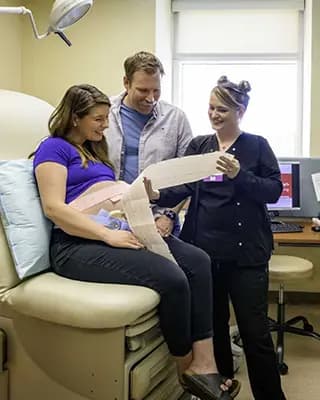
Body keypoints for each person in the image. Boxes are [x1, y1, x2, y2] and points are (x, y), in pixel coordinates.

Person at [32, 83, 237, 400]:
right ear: (75, 118)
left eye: (105, 119)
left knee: (199, 261)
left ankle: (206, 362)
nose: (104, 126)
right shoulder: (54, 148)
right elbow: (54, 208)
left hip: (119, 226)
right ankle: (187, 371)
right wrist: (107, 234)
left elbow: (111, 196)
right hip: (77, 244)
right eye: (98, 119)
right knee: (173, 278)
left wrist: (144, 194)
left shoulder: (95, 151)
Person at [144, 76, 287, 400]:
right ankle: (220, 391)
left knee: (254, 333)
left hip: (246, 255)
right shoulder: (199, 146)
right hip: (204, 252)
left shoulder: (257, 146)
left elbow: (273, 190)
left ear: (241, 110)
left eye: (222, 109)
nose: (214, 114)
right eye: (210, 108)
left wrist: (240, 175)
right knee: (214, 328)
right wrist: (155, 194)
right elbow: (183, 187)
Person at [106, 50, 193, 237]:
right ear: (126, 83)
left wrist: (169, 215)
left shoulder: (175, 119)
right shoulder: (103, 112)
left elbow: (187, 178)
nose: (151, 98)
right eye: (143, 90)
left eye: (156, 90)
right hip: (112, 215)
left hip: (159, 216)